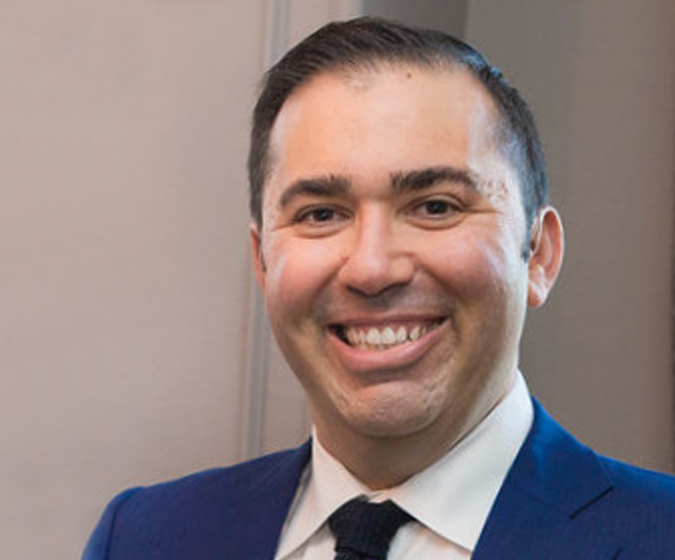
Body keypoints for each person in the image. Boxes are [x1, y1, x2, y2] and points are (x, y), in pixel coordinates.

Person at [82, 17, 675, 560]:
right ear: (263, 264)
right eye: (320, 214)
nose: (371, 268)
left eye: (435, 206)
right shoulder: (143, 538)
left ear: (539, 254)